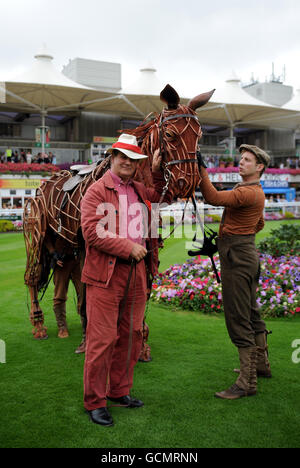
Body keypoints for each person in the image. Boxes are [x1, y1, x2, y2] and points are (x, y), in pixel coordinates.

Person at [80, 133, 169, 426]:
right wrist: (127, 246)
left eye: (134, 159)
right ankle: (95, 401)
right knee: (102, 340)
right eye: (123, 157)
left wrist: (156, 170)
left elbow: (163, 197)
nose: (128, 163)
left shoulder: (140, 189)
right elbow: (92, 232)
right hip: (104, 276)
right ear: (113, 158)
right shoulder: (96, 191)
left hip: (135, 273)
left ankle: (119, 391)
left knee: (132, 336)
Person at [197, 144, 272, 400]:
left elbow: (213, 198)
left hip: (238, 257)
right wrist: (237, 237)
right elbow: (258, 223)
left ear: (259, 167)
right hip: (243, 253)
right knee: (251, 311)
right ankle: (260, 366)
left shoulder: (249, 192)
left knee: (238, 317)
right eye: (241, 159)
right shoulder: (252, 192)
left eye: (247, 160)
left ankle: (246, 382)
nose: (241, 163)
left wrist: (201, 168)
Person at [44, 234, 86, 353]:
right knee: (60, 295)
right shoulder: (54, 216)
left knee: (84, 294)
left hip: (78, 259)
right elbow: (46, 235)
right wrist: (53, 253)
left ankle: (85, 325)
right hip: (61, 261)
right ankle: (62, 326)